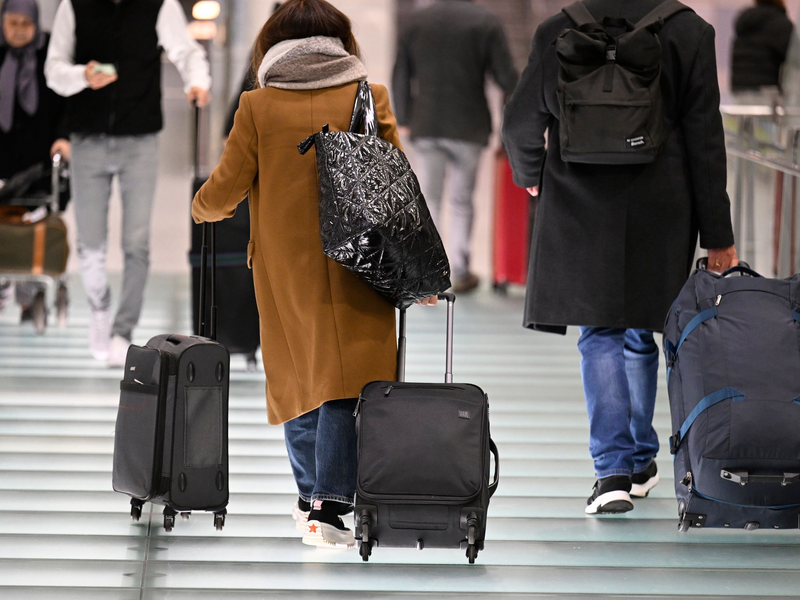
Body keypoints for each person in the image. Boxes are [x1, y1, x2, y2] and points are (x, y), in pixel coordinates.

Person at [193, 0, 433, 549]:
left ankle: (315, 500)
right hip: (361, 262)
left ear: (273, 44)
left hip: (284, 269)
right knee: (348, 382)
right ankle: (326, 506)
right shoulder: (369, 98)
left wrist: (201, 207)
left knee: (300, 380)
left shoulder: (257, 105)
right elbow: (397, 185)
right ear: (340, 41)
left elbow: (225, 188)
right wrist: (417, 265)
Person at [504, 0, 738, 515]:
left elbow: (521, 121)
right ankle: (638, 460)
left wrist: (530, 175)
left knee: (600, 332)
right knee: (638, 327)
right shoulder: (688, 32)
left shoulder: (558, 29)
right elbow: (705, 140)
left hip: (579, 202)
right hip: (661, 204)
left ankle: (612, 470)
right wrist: (718, 235)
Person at [44, 0, 211, 367]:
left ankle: (122, 330)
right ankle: (99, 305)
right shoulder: (74, 7)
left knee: (136, 243)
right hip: (87, 138)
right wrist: (81, 77)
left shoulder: (158, 6)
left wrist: (198, 81)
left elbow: (185, 51)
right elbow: (53, 69)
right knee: (90, 244)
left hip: (140, 140)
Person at [393, 0, 518, 294]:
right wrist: (510, 128)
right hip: (469, 125)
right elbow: (508, 79)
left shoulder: (417, 21)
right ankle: (459, 270)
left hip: (427, 123)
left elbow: (401, 72)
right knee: (462, 200)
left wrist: (403, 117)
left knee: (430, 199)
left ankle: (429, 270)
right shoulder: (485, 22)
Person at [0, 0, 69, 324]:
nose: (18, 30)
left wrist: (63, 138)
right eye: (11, 23)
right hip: (2, 155)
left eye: (24, 24)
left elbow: (66, 101)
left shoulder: (49, 55)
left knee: (32, 219)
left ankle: (28, 295)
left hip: (38, 161)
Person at [731, 0, 794, 93]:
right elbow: (795, 58)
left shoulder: (745, 23)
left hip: (739, 94)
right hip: (768, 96)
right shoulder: (781, 24)